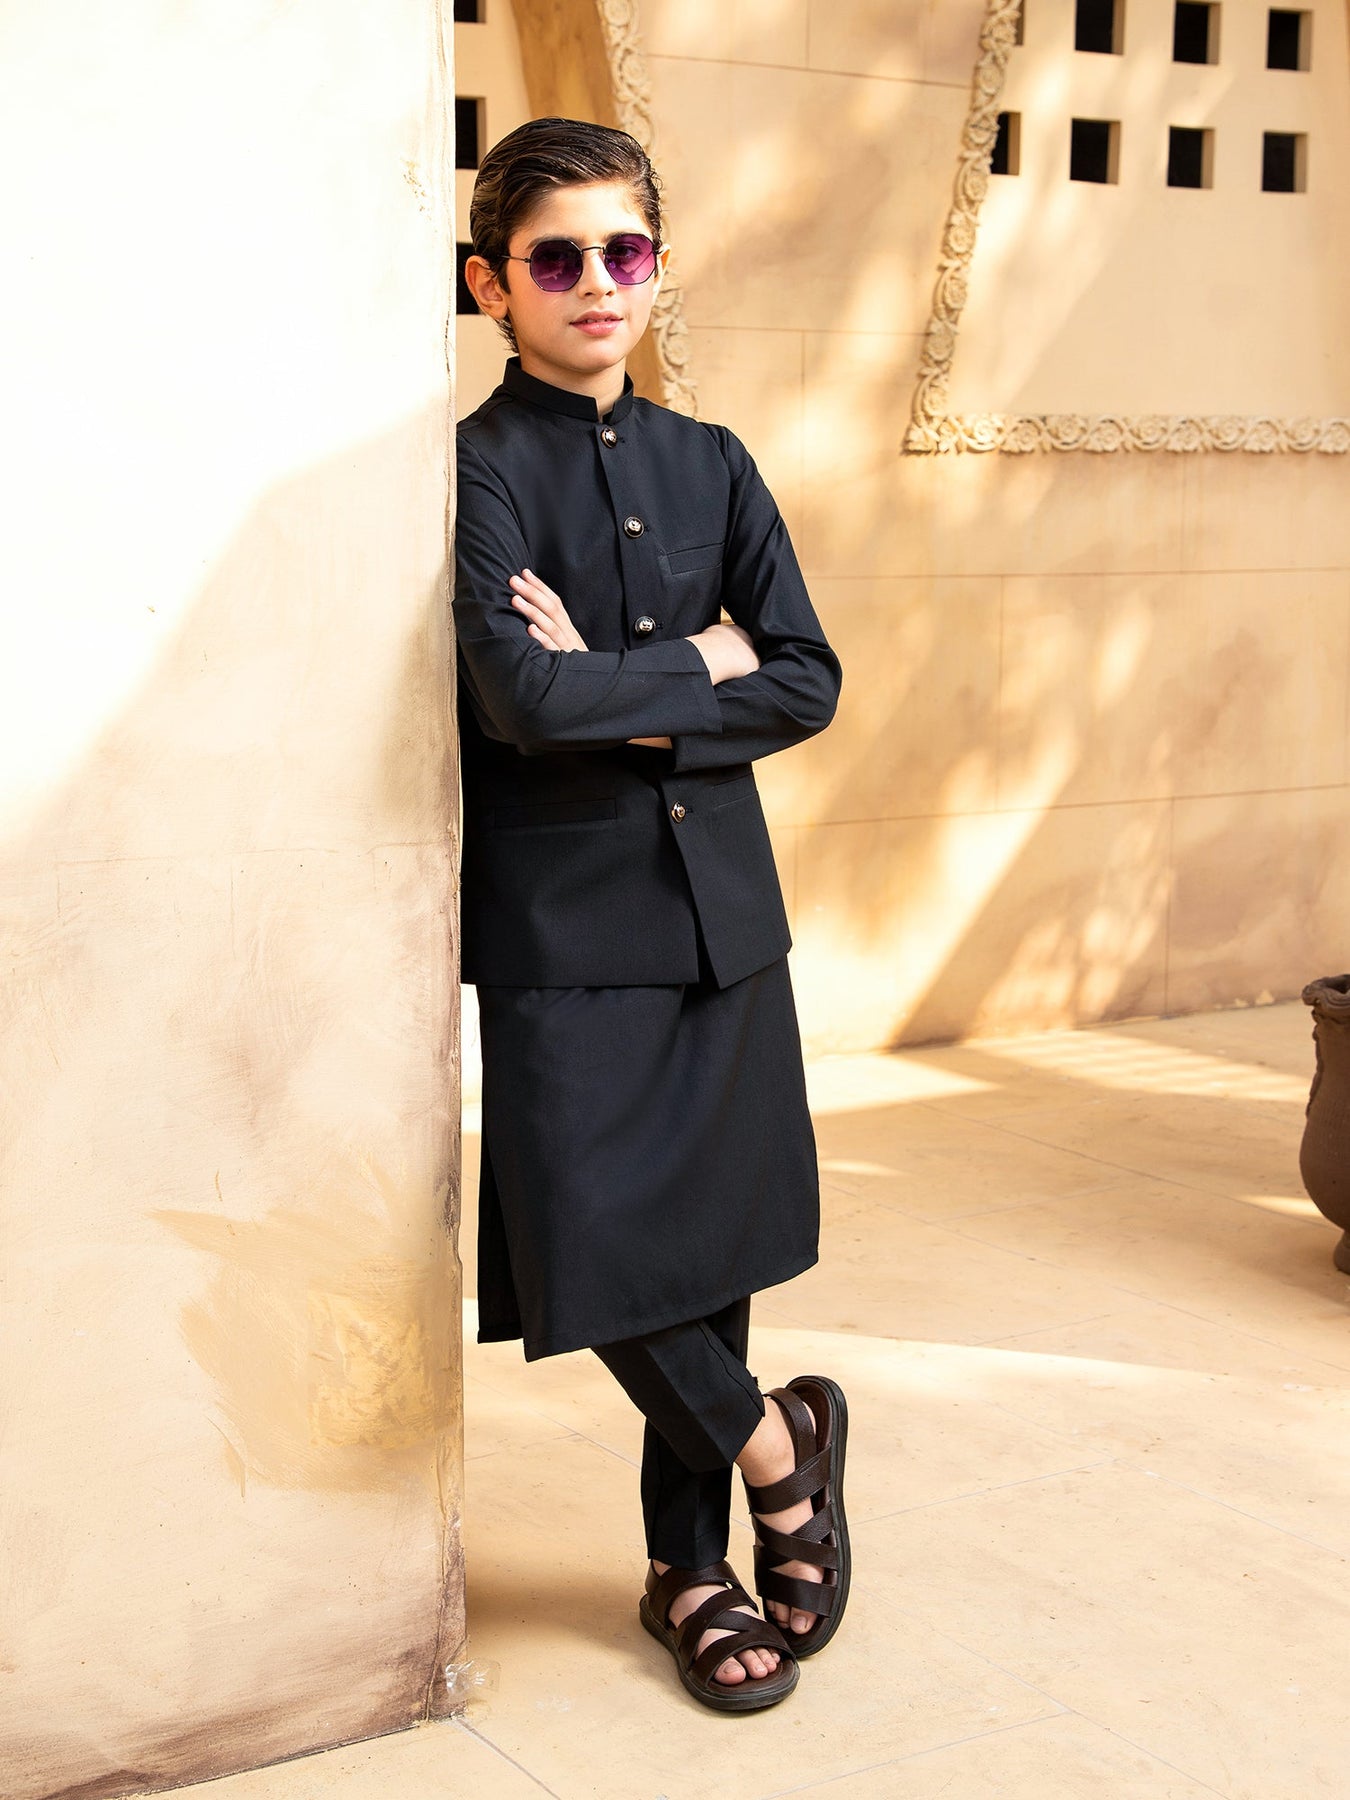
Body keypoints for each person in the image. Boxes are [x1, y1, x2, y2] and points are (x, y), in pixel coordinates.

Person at [454, 116, 848, 1713]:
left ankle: (688, 1574)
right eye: (556, 259)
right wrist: (698, 659)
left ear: (658, 265)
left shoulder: (714, 462)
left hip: (718, 922)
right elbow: (520, 700)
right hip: (561, 929)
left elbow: (805, 677)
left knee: (703, 1258)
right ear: (492, 286)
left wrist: (623, 683)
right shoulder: (471, 471)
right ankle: (780, 1451)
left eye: (623, 251)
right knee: (591, 1247)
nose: (596, 283)